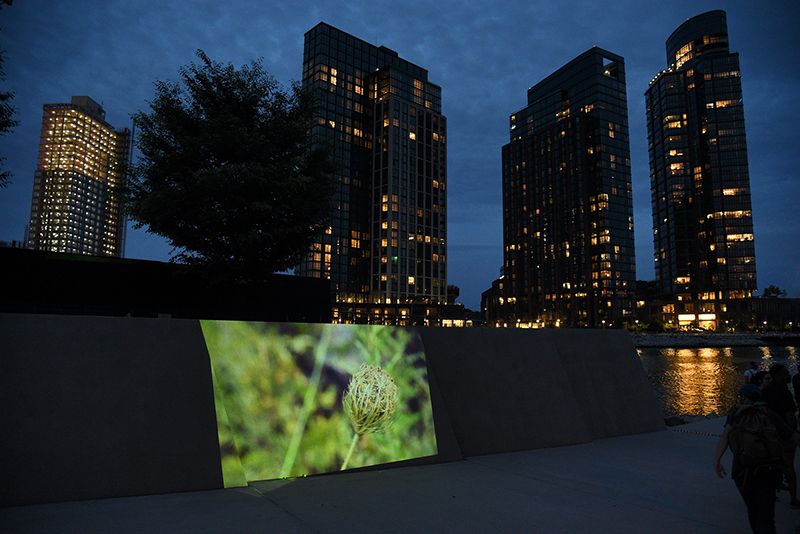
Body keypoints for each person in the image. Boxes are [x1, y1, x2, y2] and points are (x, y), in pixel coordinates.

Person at [714, 384, 796, 533]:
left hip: (742, 471)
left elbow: (725, 436)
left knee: (753, 510)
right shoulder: (770, 414)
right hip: (769, 470)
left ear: (743, 397)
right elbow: (791, 437)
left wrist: (717, 460)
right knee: (767, 515)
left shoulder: (736, 413)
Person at [761, 363, 800, 508]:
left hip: (771, 434)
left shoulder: (766, 391)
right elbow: (790, 414)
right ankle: (793, 498)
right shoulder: (784, 392)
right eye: (785, 373)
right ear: (778, 376)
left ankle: (774, 491)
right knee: (789, 467)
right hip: (785, 434)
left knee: (774, 464)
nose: (788, 375)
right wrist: (792, 432)